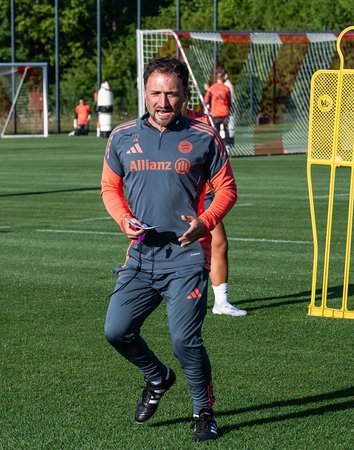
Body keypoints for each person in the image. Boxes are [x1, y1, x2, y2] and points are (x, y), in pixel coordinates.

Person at [101, 56, 237, 442]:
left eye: (171, 94)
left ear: (184, 95)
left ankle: (203, 410)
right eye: (155, 93)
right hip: (141, 258)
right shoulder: (123, 136)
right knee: (117, 331)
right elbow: (110, 187)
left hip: (187, 259)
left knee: (184, 340)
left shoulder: (203, 135)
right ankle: (157, 377)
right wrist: (123, 219)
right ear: (144, 93)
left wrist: (205, 222)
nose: (163, 102)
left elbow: (227, 190)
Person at [183, 107, 246, 317]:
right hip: (177, 191)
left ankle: (221, 302)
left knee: (219, 242)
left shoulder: (203, 119)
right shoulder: (160, 121)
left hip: (205, 191)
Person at [203, 69, 232, 145]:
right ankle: (226, 146)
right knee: (225, 130)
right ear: (224, 77)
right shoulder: (227, 89)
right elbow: (229, 102)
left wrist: (207, 108)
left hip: (215, 113)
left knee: (215, 131)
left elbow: (206, 100)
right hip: (225, 113)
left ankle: (217, 146)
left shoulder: (212, 88)